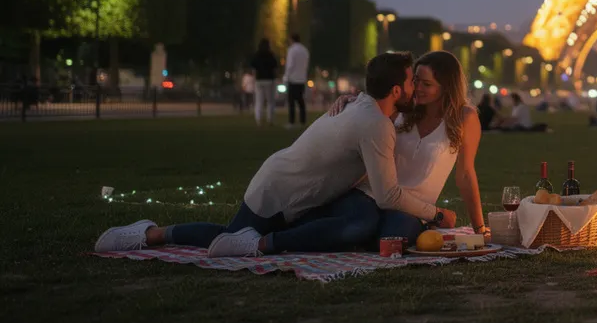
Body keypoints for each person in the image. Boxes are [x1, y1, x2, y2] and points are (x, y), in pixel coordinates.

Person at [94, 52, 446, 257]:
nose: (416, 88)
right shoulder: (374, 123)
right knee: (230, 237)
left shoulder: (367, 108)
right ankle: (149, 234)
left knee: (238, 238)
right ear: (397, 89)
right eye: (412, 82)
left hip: (295, 190)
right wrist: (435, 213)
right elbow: (388, 195)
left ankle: (159, 235)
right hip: (280, 191)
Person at [362, 51, 489, 244]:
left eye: (426, 84)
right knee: (356, 226)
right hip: (375, 196)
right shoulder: (402, 107)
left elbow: (465, 174)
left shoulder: (464, 118)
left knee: (394, 238)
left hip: (414, 209)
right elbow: (368, 110)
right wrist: (346, 101)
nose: (418, 88)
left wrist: (479, 228)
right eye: (415, 81)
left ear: (446, 87)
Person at [250, 38, 279, 126]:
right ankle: (270, 120)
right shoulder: (270, 55)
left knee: (259, 101)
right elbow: (275, 67)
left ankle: (258, 120)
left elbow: (253, 69)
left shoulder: (256, 55)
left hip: (259, 80)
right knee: (270, 101)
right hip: (269, 80)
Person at [284, 33, 310, 128]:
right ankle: (302, 121)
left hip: (293, 79)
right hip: (302, 79)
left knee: (291, 101)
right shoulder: (305, 50)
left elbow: (290, 65)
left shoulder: (292, 50)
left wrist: (286, 76)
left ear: (291, 39)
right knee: (300, 101)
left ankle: (291, 122)